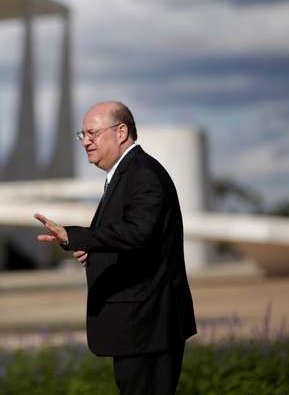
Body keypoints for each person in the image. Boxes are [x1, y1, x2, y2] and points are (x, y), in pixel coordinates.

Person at [35, 101, 196, 395]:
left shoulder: (143, 174)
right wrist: (95, 251)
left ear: (121, 132)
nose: (86, 142)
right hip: (140, 326)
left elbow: (138, 233)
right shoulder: (125, 175)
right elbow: (134, 238)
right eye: (81, 135)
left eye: (92, 133)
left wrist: (75, 237)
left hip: (148, 325)